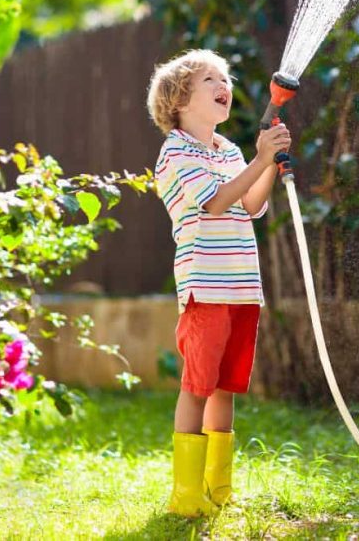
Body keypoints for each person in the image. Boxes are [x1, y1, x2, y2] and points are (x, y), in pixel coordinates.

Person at [148, 49, 291, 517]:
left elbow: (250, 204)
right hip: (205, 287)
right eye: (210, 78)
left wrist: (267, 162)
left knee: (225, 386)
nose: (222, 83)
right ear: (179, 101)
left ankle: (218, 486)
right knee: (197, 385)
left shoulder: (227, 151)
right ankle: (186, 495)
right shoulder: (176, 151)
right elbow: (213, 202)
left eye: (224, 77)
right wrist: (260, 158)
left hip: (241, 286)